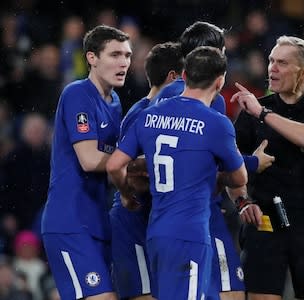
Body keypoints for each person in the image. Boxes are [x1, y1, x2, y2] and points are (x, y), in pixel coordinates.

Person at [106, 46, 248, 300]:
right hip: (190, 233)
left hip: (156, 233)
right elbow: (239, 178)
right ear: (220, 80)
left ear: (184, 74)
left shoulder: (149, 116)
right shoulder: (216, 123)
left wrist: (126, 194)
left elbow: (114, 165)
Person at [157, 21, 274, 300]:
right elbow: (223, 165)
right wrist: (255, 162)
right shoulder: (210, 102)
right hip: (200, 217)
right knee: (231, 293)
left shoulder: (162, 100)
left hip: (166, 220)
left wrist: (241, 200)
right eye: (222, 51)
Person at [230, 35, 304, 300]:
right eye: (270, 61)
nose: (272, 69)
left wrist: (263, 114)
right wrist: (242, 201)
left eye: (281, 63)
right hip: (264, 220)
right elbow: (230, 166)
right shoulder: (252, 110)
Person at [41, 25, 132, 300]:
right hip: (69, 221)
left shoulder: (115, 102)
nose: (124, 63)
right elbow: (90, 159)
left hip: (96, 221)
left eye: (127, 56)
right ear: (92, 58)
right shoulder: (77, 93)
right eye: (115, 54)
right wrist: (136, 164)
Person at [109, 42, 183, 300]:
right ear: (174, 77)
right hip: (133, 219)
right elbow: (129, 170)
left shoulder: (168, 116)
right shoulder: (141, 114)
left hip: (154, 220)